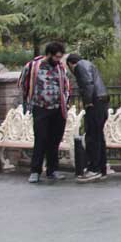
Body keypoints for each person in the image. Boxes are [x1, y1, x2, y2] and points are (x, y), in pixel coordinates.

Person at [18, 42, 72, 184]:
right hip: (40, 107)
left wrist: (65, 101)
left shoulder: (60, 67)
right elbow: (23, 83)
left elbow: (66, 85)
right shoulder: (33, 66)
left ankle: (52, 170)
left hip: (58, 108)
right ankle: (35, 171)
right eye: (56, 57)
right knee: (40, 139)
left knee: (54, 140)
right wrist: (28, 99)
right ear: (48, 54)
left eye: (60, 57)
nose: (58, 60)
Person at [66, 53, 109, 183]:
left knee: (92, 136)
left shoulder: (79, 66)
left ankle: (93, 169)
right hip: (102, 101)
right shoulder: (89, 64)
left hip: (95, 103)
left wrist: (88, 101)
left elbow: (87, 84)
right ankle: (101, 169)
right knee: (99, 136)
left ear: (70, 64)